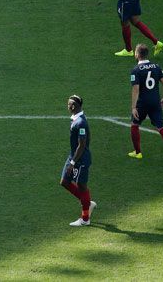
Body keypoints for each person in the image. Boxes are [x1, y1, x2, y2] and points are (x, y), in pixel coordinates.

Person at [128, 44, 163, 162]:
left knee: (134, 125)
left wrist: (133, 107)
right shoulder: (156, 66)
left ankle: (138, 152)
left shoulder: (135, 70)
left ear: (137, 54)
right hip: (155, 101)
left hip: (142, 103)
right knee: (160, 127)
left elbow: (136, 89)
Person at [60, 95, 97, 227]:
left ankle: (85, 219)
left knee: (81, 187)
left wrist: (73, 163)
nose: (67, 106)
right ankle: (87, 202)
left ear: (74, 106)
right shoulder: (76, 119)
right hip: (73, 156)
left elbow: (82, 145)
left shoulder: (80, 122)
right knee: (64, 182)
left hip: (80, 160)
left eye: (69, 104)